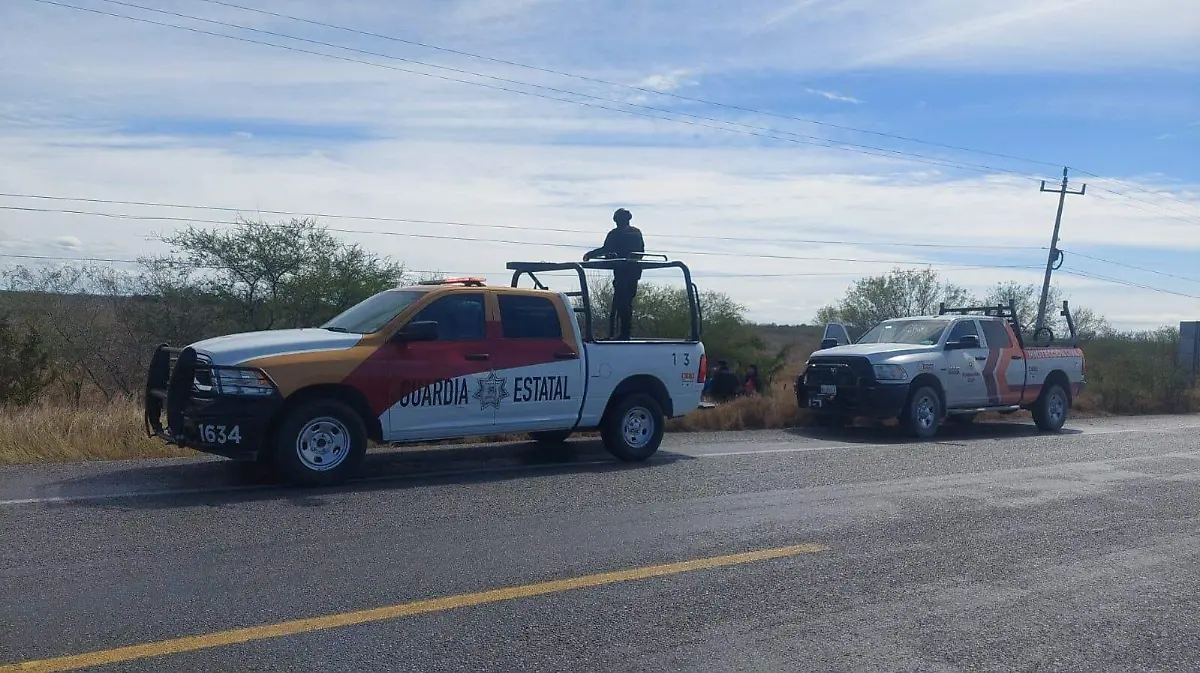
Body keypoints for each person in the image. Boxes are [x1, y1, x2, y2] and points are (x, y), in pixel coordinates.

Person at [583, 208, 644, 340]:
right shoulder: (636, 233)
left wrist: (590, 254)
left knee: (623, 302)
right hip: (634, 271)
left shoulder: (616, 234)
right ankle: (622, 332)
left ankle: (624, 333)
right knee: (625, 302)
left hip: (623, 271)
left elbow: (607, 249)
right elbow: (640, 251)